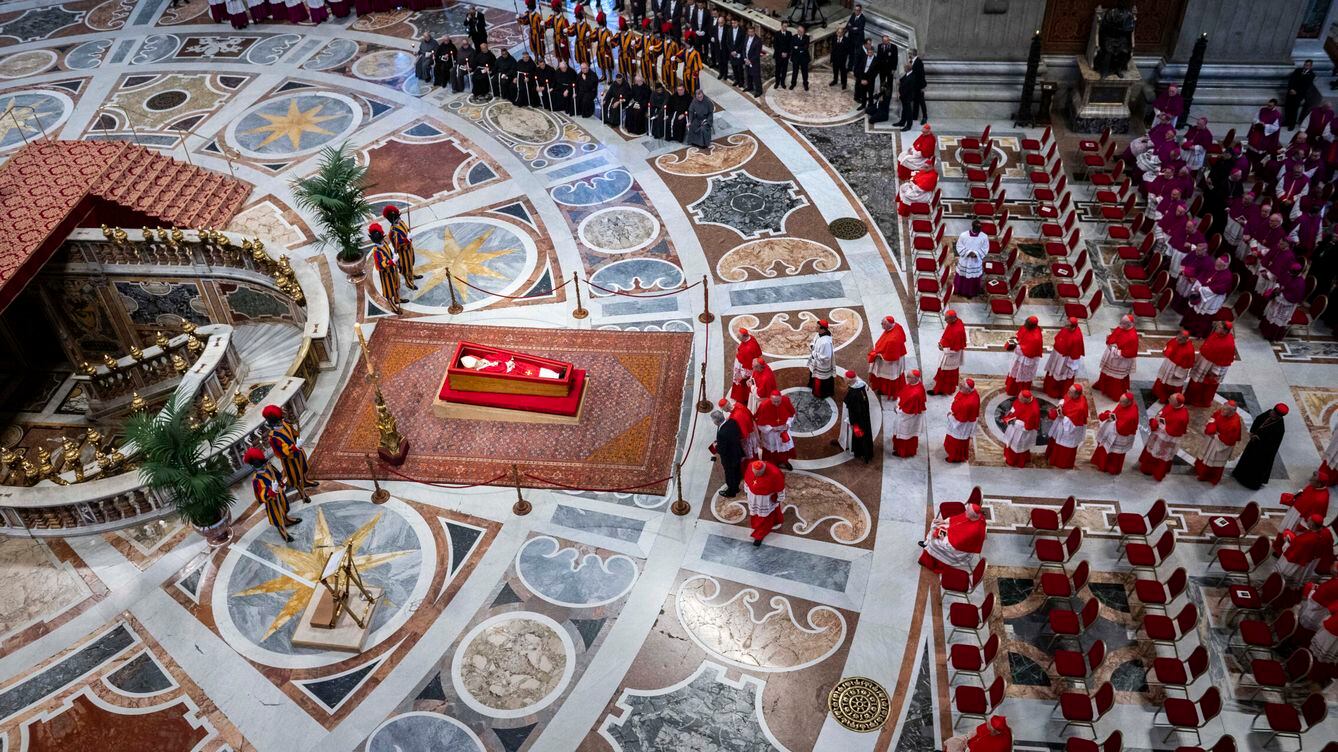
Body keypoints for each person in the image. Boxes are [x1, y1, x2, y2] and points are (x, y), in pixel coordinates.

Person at [245, 447, 301, 543]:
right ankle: (282, 531)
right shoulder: (256, 479)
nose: (264, 465)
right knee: (276, 515)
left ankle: (286, 520)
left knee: (284, 507)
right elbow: (260, 495)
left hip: (279, 493)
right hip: (271, 500)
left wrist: (280, 482)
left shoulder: (268, 467)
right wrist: (271, 491)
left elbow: (277, 474)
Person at [263, 404, 316, 503]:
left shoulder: (284, 423)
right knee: (295, 478)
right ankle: (302, 494)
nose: (281, 422)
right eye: (278, 420)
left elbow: (294, 433)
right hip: (289, 461)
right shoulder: (273, 437)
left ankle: (306, 481)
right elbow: (283, 452)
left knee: (303, 469)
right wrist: (295, 447)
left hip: (298, 452)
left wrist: (296, 431)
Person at [1232, 403, 1288, 490]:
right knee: (1246, 459)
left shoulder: (1279, 429)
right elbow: (1258, 419)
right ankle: (1238, 475)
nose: (1271, 413)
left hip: (1262, 452)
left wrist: (1259, 439)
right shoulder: (1269, 413)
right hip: (1254, 444)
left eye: (1273, 413)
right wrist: (1253, 432)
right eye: (1272, 411)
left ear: (1278, 416)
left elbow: (1272, 445)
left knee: (1254, 467)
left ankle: (1249, 483)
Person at [918, 502, 986, 573]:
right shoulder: (977, 515)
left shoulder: (973, 531)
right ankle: (927, 544)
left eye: (967, 512)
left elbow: (952, 545)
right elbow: (959, 518)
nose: (965, 512)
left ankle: (928, 559)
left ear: (972, 516)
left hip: (956, 549)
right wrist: (944, 521)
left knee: (934, 542)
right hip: (954, 535)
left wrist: (940, 534)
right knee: (936, 525)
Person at [1139, 393, 1189, 481]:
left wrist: (1159, 422)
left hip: (1167, 438)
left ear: (1177, 403)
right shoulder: (1171, 405)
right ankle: (1147, 466)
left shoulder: (1182, 417)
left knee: (1160, 454)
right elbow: (1164, 413)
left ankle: (1154, 471)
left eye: (1171, 399)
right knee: (1152, 449)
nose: (1168, 399)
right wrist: (1159, 418)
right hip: (1158, 434)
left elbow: (1173, 431)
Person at [1185, 321, 1236, 406]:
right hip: (1204, 362)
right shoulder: (1216, 334)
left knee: (1203, 386)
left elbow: (1223, 362)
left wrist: (1214, 373)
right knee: (1195, 381)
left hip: (1210, 369)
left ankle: (1198, 402)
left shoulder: (1228, 344)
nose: (1216, 328)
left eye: (1219, 327)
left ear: (1225, 331)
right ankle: (1189, 398)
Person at [1276, 514, 1334, 585]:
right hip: (1311, 561)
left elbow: (1292, 552)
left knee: (1285, 578)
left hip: (1296, 563)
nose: (1307, 521)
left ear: (1312, 525)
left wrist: (1286, 540)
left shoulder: (1306, 540)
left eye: (1309, 520)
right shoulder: (1327, 532)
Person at [1091, 393, 1140, 475]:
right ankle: (1100, 463)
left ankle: (1110, 469)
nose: (1119, 403)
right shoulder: (1125, 404)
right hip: (1113, 430)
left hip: (1120, 436)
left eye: (1122, 402)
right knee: (1104, 447)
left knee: (1114, 453)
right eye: (1120, 401)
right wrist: (1110, 415)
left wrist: (1112, 419)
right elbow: (1117, 412)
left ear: (1129, 403)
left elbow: (1121, 429)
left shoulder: (1131, 415)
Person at [1195, 402, 1242, 485]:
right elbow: (1214, 416)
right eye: (1223, 408)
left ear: (1232, 412)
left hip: (1220, 444)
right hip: (1212, 439)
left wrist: (1215, 436)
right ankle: (1198, 470)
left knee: (1213, 460)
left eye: (1225, 410)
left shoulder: (1234, 424)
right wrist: (1212, 426)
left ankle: (1207, 476)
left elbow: (1229, 439)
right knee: (1205, 454)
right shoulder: (1223, 411)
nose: (1222, 411)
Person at [1093, 316, 1139, 400]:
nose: (1120, 325)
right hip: (1113, 354)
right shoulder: (1122, 326)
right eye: (1120, 323)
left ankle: (1115, 394)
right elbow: (1114, 336)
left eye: (1122, 323)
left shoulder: (1133, 337)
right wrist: (1111, 342)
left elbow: (1129, 352)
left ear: (1129, 324)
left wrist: (1114, 349)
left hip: (1121, 360)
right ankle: (1101, 385)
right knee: (1106, 372)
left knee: (1116, 377)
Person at [1045, 385, 1089, 470]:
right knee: (1055, 439)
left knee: (1063, 446)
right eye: (1068, 390)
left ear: (1076, 395)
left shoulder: (1079, 408)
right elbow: (1064, 399)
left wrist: (1063, 417)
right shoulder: (1071, 395)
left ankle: (1061, 464)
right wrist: (1061, 405)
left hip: (1069, 430)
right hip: (1061, 425)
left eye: (1070, 392)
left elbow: (1074, 425)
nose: (1068, 392)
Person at [743, 460, 785, 546]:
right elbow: (747, 480)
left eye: (758, 474)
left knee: (765, 517)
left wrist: (779, 498)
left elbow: (780, 488)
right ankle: (759, 525)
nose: (756, 476)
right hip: (753, 497)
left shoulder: (775, 473)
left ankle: (760, 535)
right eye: (754, 473)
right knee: (755, 513)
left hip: (765, 500)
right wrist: (746, 490)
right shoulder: (751, 465)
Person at [1042, 317, 1085, 398]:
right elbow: (1058, 337)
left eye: (1068, 326)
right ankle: (1048, 388)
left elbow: (1075, 354)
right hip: (1057, 354)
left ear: (1074, 327)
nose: (1065, 327)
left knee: (1059, 375)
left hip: (1065, 360)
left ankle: (1056, 392)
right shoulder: (1066, 328)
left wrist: (1070, 365)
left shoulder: (1077, 338)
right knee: (1052, 370)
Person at [868, 315, 907, 399]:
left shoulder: (892, 340)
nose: (881, 325)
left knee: (887, 376)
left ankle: (886, 390)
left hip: (890, 362)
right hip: (897, 354)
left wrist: (877, 354)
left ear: (888, 325)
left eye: (883, 324)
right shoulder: (897, 325)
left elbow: (889, 357)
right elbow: (903, 338)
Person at [839, 370, 874, 463]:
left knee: (858, 435)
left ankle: (860, 452)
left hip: (856, 421)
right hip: (862, 418)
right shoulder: (860, 387)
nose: (844, 379)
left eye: (845, 378)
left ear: (849, 381)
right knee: (862, 435)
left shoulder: (854, 393)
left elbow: (855, 410)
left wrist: (851, 422)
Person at [755, 390, 796, 469]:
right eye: (774, 401)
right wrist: (771, 428)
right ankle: (774, 464)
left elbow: (792, 414)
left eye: (778, 401)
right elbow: (759, 422)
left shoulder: (786, 401)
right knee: (772, 450)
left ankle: (785, 461)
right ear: (770, 399)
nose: (776, 404)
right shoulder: (764, 405)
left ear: (781, 398)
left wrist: (788, 424)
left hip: (784, 431)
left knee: (784, 448)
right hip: (771, 434)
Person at [368, 223, 403, 314]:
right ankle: (392, 305)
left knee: (396, 285)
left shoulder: (385, 244)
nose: (383, 240)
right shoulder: (376, 252)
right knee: (389, 290)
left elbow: (390, 253)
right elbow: (381, 265)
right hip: (386, 274)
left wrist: (394, 258)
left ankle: (397, 299)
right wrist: (392, 261)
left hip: (393, 270)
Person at [382, 205, 419, 291]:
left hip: (409, 248)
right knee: (405, 267)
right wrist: (406, 239)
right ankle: (408, 281)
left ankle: (411, 274)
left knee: (411, 262)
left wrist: (409, 235)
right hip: (402, 252)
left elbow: (406, 229)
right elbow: (397, 243)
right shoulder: (393, 231)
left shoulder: (401, 223)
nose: (399, 218)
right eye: (397, 217)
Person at [1151, 330, 1195, 403]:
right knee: (1162, 379)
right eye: (1178, 337)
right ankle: (1158, 394)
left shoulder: (1189, 350)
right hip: (1168, 364)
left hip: (1177, 369)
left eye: (1180, 339)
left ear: (1186, 339)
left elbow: (1186, 365)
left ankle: (1168, 398)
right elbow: (1168, 347)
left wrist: (1178, 374)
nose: (1177, 340)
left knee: (1172, 384)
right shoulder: (1175, 340)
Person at [1004, 316, 1043, 396]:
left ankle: (1019, 391)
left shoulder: (1036, 337)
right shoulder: (1025, 327)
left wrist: (1016, 346)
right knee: (1015, 371)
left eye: (1027, 323)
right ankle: (1012, 388)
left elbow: (1029, 351)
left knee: (1023, 375)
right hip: (1019, 358)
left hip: (1027, 360)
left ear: (1031, 325)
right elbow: (1019, 336)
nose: (1025, 324)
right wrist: (1012, 341)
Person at [891, 370, 926, 458]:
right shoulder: (916, 384)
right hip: (905, 414)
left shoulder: (916, 393)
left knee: (905, 435)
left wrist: (897, 409)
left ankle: (903, 452)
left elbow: (908, 411)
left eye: (908, 377)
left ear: (915, 378)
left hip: (907, 418)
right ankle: (898, 447)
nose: (906, 378)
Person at [944, 379, 980, 464]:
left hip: (961, 426)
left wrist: (950, 416)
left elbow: (959, 421)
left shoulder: (969, 404)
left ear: (968, 389)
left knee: (956, 442)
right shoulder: (972, 392)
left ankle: (955, 458)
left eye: (962, 386)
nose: (960, 387)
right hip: (959, 418)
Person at [1002, 391, 1040, 468]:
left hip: (1022, 432)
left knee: (1018, 446)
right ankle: (1009, 456)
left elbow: (1028, 427)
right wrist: (1009, 415)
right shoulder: (1020, 400)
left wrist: (1016, 422)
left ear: (1026, 399)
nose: (1019, 400)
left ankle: (1015, 461)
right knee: (1010, 443)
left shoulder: (1034, 410)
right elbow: (1014, 407)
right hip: (1013, 426)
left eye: (1020, 399)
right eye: (1019, 398)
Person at [931, 310, 965, 395]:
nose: (945, 321)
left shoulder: (958, 331)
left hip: (951, 356)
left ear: (953, 318)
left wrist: (943, 349)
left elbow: (956, 349)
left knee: (946, 374)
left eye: (947, 319)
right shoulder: (955, 321)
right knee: (943, 372)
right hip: (947, 351)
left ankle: (941, 390)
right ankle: (941, 388)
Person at [953, 220, 987, 298]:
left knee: (973, 277)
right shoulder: (963, 235)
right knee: (962, 275)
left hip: (975, 261)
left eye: (979, 228)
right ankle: (959, 290)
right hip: (965, 260)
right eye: (976, 228)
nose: (977, 230)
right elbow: (959, 246)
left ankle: (971, 293)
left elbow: (985, 248)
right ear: (972, 226)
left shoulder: (984, 237)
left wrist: (976, 254)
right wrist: (968, 253)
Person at [945, 716, 1013, 752]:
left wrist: (969, 749)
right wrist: (967, 739)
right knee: (953, 741)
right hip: (969, 743)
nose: (987, 727)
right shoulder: (996, 727)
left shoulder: (999, 746)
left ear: (995, 732)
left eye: (989, 728)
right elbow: (977, 732)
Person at [730, 327, 762, 403]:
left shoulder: (748, 349)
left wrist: (743, 375)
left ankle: (741, 398)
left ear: (744, 336)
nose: (737, 337)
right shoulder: (751, 338)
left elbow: (747, 365)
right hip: (744, 364)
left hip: (743, 368)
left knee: (741, 382)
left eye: (739, 336)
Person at [1284, 59, 1316, 129]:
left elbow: (1306, 86)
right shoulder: (1297, 70)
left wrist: (1297, 92)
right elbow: (1291, 80)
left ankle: (1292, 124)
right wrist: (1291, 89)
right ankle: (1286, 121)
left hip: (1299, 95)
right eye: (1305, 64)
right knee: (1288, 107)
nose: (1305, 66)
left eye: (1307, 65)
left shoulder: (1312, 75)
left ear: (1310, 66)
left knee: (1294, 109)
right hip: (1290, 92)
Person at [808, 318, 835, 398]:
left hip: (822, 364)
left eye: (817, 327)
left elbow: (826, 357)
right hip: (816, 361)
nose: (815, 328)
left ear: (822, 329)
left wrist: (813, 353)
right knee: (813, 373)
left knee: (820, 380)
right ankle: (811, 385)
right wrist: (812, 345)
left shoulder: (825, 342)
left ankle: (820, 394)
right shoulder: (819, 334)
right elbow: (814, 341)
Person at [904, 48, 927, 129]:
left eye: (909, 53)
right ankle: (915, 116)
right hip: (914, 85)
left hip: (919, 86)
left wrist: (922, 87)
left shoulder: (919, 62)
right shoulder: (911, 61)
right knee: (916, 101)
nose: (908, 55)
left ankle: (925, 117)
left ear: (912, 54)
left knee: (921, 101)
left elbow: (922, 75)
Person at [854, 40, 879, 109]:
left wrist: (868, 80)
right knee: (863, 93)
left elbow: (875, 73)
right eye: (868, 52)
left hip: (870, 79)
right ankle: (863, 105)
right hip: (863, 77)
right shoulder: (864, 58)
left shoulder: (876, 60)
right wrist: (861, 79)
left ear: (873, 52)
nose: (869, 54)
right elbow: (861, 68)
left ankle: (870, 106)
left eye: (871, 52)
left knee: (870, 94)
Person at [741, 25, 762, 97]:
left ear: (754, 32)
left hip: (754, 62)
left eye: (751, 32)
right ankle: (750, 87)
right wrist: (745, 58)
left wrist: (750, 61)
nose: (750, 33)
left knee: (756, 77)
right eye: (749, 32)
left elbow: (757, 54)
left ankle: (759, 91)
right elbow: (744, 49)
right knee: (748, 75)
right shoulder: (746, 37)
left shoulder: (758, 40)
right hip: (746, 60)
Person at [790, 25, 811, 90]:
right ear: (798, 31)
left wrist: (797, 47)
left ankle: (805, 84)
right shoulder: (793, 37)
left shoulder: (806, 37)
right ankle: (793, 84)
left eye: (803, 32)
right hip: (795, 57)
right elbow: (792, 47)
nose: (802, 33)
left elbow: (806, 47)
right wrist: (801, 48)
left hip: (804, 58)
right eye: (801, 32)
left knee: (805, 72)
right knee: (795, 72)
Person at [773, 22, 792, 90]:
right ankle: (777, 82)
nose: (785, 28)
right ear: (781, 26)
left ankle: (782, 83)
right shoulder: (777, 34)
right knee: (777, 70)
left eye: (786, 26)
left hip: (786, 56)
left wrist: (787, 53)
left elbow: (790, 45)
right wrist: (781, 53)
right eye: (784, 26)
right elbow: (775, 45)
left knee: (784, 70)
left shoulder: (789, 33)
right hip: (778, 55)